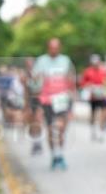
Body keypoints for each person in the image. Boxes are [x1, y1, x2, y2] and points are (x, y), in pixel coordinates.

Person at [32, 38, 76, 170]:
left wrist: (72, 99)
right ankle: (54, 155)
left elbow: (70, 79)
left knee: (61, 128)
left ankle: (60, 154)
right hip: (47, 100)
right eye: (51, 48)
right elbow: (35, 81)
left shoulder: (65, 60)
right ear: (48, 48)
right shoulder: (41, 61)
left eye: (56, 48)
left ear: (60, 48)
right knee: (51, 129)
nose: (54, 50)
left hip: (62, 99)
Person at [80, 54, 106, 142]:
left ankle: (101, 132)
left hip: (102, 95)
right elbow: (83, 83)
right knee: (93, 114)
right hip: (93, 96)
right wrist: (88, 86)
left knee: (103, 113)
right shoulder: (88, 71)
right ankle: (93, 130)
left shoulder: (104, 71)